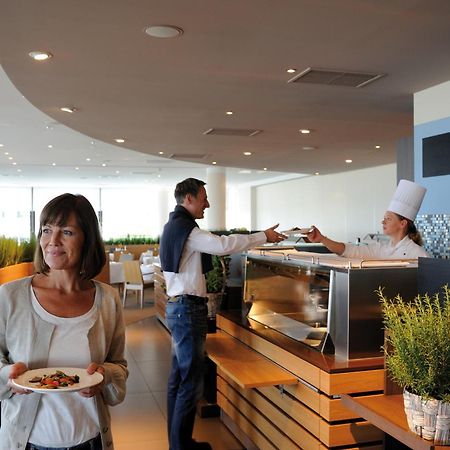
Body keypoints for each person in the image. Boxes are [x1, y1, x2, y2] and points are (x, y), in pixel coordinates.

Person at [160, 178, 286, 450]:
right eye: (204, 197)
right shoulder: (188, 231)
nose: (208, 203)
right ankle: (180, 446)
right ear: (189, 199)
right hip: (187, 309)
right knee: (190, 382)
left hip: (178, 307)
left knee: (178, 380)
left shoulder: (174, 225)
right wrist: (263, 235)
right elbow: (224, 245)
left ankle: (179, 443)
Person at [0, 193, 128, 450]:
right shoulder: (10, 297)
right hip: (27, 443)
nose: (52, 241)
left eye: (67, 232)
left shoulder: (108, 300)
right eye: (46, 230)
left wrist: (106, 375)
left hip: (91, 440)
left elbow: (119, 367)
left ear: (87, 240)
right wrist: (8, 376)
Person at [307, 179, 429, 259]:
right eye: (384, 218)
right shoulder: (381, 249)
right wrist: (322, 239)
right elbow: (349, 250)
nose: (383, 221)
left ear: (402, 223)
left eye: (388, 218)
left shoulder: (419, 254)